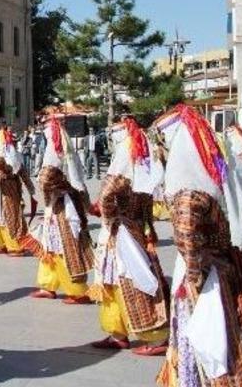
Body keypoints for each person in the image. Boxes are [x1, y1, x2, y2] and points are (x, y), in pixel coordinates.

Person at [152, 105, 242, 385]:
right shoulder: (207, 182)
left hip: (206, 280)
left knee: (210, 345)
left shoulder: (187, 193)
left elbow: (190, 248)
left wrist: (192, 282)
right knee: (229, 339)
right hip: (223, 270)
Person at [89, 118, 170, 355]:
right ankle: (118, 332)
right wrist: (147, 227)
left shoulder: (125, 153)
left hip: (119, 231)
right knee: (116, 278)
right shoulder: (143, 155)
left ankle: (154, 336)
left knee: (128, 278)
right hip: (134, 227)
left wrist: (106, 216)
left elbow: (107, 193)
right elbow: (146, 200)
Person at [22, 117, 93, 304]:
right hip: (58, 205)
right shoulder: (65, 150)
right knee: (49, 245)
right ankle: (48, 285)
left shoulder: (55, 150)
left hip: (62, 208)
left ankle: (77, 290)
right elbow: (78, 182)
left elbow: (46, 178)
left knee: (64, 246)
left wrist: (48, 190)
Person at [0, 126, 35, 256]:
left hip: (5, 189)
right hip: (8, 188)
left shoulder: (1, 157)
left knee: (8, 215)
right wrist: (31, 189)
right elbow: (23, 174)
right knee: (0, 214)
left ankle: (14, 245)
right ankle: (1, 243)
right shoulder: (15, 155)